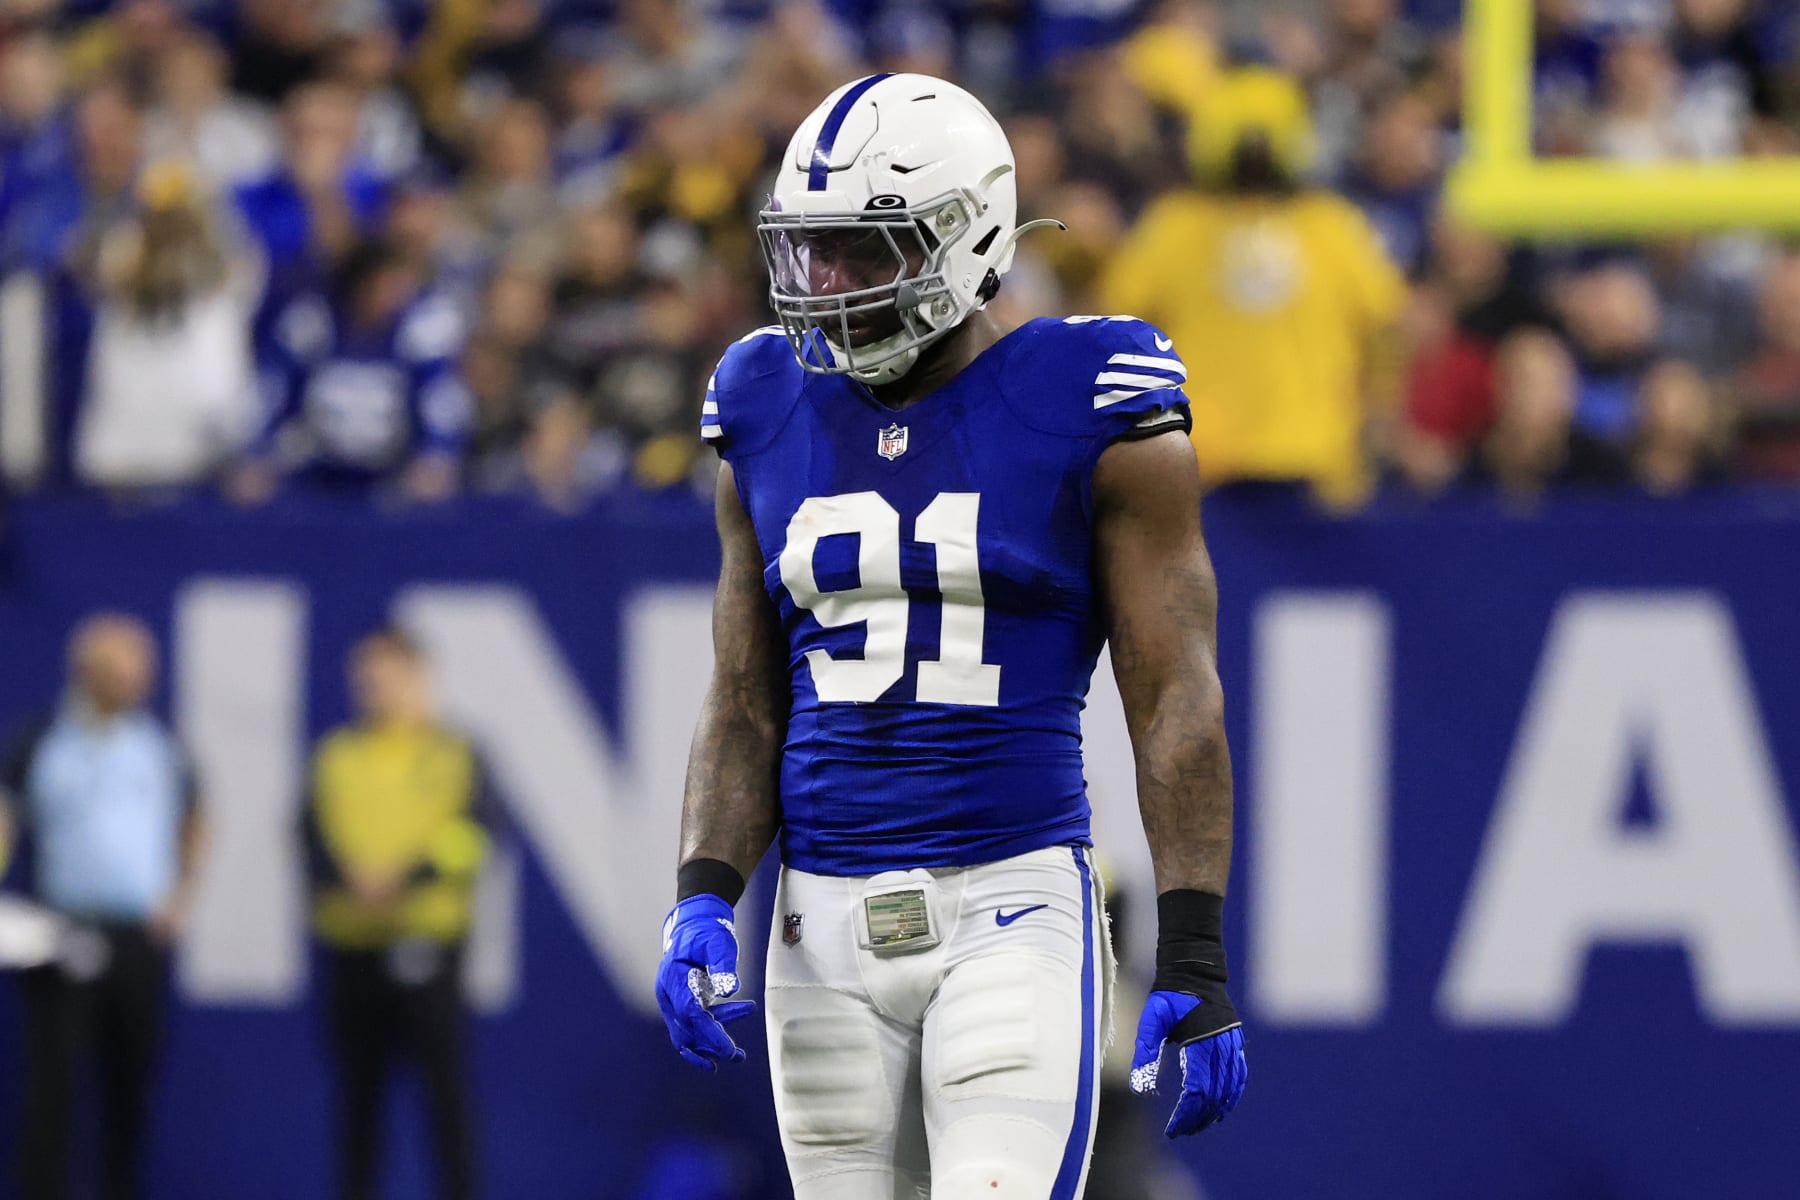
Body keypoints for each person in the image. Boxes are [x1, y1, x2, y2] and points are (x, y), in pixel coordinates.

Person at [655, 73, 1247, 1198]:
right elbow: (742, 694)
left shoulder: (1088, 394)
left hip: (1010, 900)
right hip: (816, 922)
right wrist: (702, 890)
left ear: (967, 235)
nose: (828, 286)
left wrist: (1195, 946)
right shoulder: (761, 398)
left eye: (862, 250)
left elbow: (1175, 692)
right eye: (811, 251)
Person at [1100, 66, 1407, 509]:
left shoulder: (1173, 227)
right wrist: (1375, 416)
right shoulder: (1333, 226)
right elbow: (1388, 331)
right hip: (1309, 457)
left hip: (1205, 458)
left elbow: (1114, 331)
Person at [0, 613, 207, 1200]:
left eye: (141, 668)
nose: (136, 680)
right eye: (122, 667)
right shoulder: (40, 739)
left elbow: (196, 818)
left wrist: (181, 898)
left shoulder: (159, 747)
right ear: (86, 670)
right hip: (62, 935)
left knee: (130, 1086)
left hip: (138, 938)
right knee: (54, 1087)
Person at [303, 626, 495, 1200]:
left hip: (428, 950)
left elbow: (476, 835)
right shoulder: (336, 755)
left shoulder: (454, 754)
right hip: (352, 948)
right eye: (364, 677)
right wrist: (347, 879)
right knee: (358, 1101)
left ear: (417, 677)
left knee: (445, 1098)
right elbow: (307, 835)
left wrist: (407, 879)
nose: (373, 687)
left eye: (385, 675)